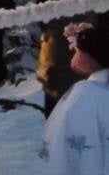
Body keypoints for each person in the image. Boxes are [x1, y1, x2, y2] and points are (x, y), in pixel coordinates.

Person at [42, 21, 109, 174]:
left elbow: (71, 154)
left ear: (90, 58)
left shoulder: (85, 96)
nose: (73, 53)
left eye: (78, 50)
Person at [38, 0, 90, 117]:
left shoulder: (59, 10)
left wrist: (39, 0)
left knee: (57, 128)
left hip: (59, 82)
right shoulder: (90, 6)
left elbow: (44, 23)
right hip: (81, 80)